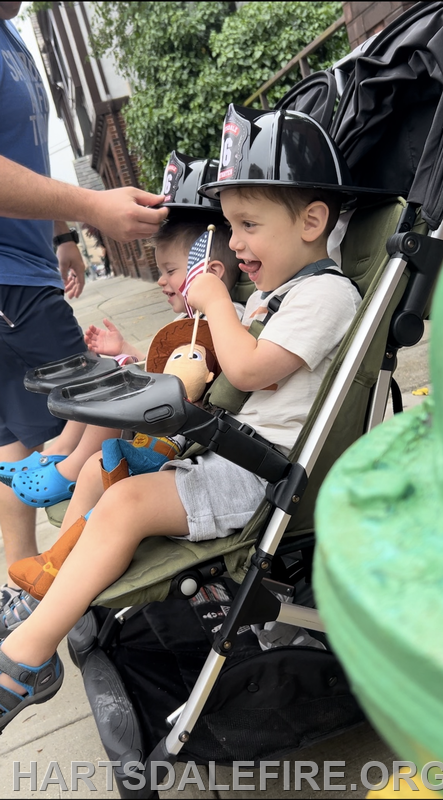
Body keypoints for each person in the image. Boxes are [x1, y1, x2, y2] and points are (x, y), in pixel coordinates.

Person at [0, 105, 363, 728]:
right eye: (230, 225)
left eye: (248, 225)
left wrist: (220, 299)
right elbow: (211, 372)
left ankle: (27, 659)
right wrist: (139, 359)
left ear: (313, 221)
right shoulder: (276, 297)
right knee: (97, 480)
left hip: (264, 476)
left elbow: (246, 371)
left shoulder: (326, 294)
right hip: (233, 454)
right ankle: (55, 585)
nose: (237, 242)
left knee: (124, 504)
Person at [0, 0, 167, 613]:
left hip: (27, 269)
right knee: (89, 428)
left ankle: (25, 589)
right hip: (10, 283)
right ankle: (74, 588)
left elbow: (26, 155)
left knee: (13, 440)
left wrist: (65, 232)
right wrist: (95, 208)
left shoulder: (13, 35)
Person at [0, 216, 241, 513]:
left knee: (116, 393)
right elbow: (161, 369)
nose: (161, 280)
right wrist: (124, 350)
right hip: (166, 418)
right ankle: (61, 455)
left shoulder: (224, 322)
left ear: (208, 274)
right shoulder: (186, 323)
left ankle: (67, 469)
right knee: (108, 379)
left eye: (170, 271)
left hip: (177, 430)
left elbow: (200, 379)